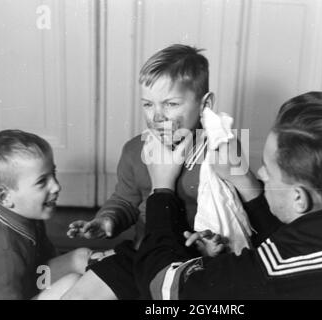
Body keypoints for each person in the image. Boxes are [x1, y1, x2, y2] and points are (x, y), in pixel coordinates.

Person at [135, 91, 322, 299]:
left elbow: (167, 287)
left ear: (299, 198)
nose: (262, 175)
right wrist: (241, 178)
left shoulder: (266, 273)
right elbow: (303, 245)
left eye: (268, 168)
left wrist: (162, 189)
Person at [61, 44, 217, 299]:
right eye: (147, 104)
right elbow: (125, 200)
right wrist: (106, 220)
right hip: (143, 257)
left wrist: (214, 240)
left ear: (205, 104)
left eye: (171, 104)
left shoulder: (222, 153)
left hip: (193, 269)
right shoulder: (136, 151)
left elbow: (238, 217)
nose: (156, 116)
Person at [0, 129, 91, 300]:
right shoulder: (3, 255)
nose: (56, 186)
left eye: (53, 174)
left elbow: (46, 255)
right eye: (42, 181)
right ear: (4, 197)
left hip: (26, 279)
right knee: (72, 283)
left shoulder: (26, 214)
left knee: (81, 257)